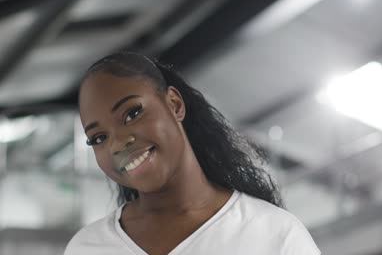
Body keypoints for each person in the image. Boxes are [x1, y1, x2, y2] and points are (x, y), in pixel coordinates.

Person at [64, 52, 321, 255]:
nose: (118, 144)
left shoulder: (274, 233)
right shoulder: (87, 247)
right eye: (99, 138)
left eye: (132, 114)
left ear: (174, 104)